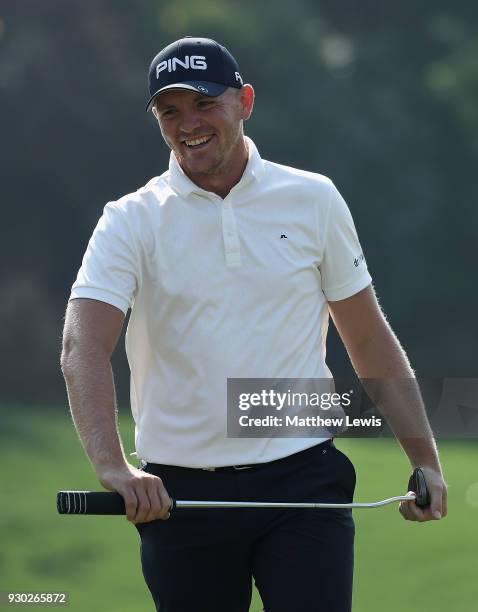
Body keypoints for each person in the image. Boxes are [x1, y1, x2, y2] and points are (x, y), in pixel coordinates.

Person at [61, 36, 447, 612]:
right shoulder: (128, 221)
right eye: (170, 111)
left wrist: (425, 459)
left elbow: (366, 335)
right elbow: (82, 345)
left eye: (204, 103)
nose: (188, 123)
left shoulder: (314, 199)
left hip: (304, 482)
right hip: (181, 496)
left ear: (244, 100)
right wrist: (113, 467)